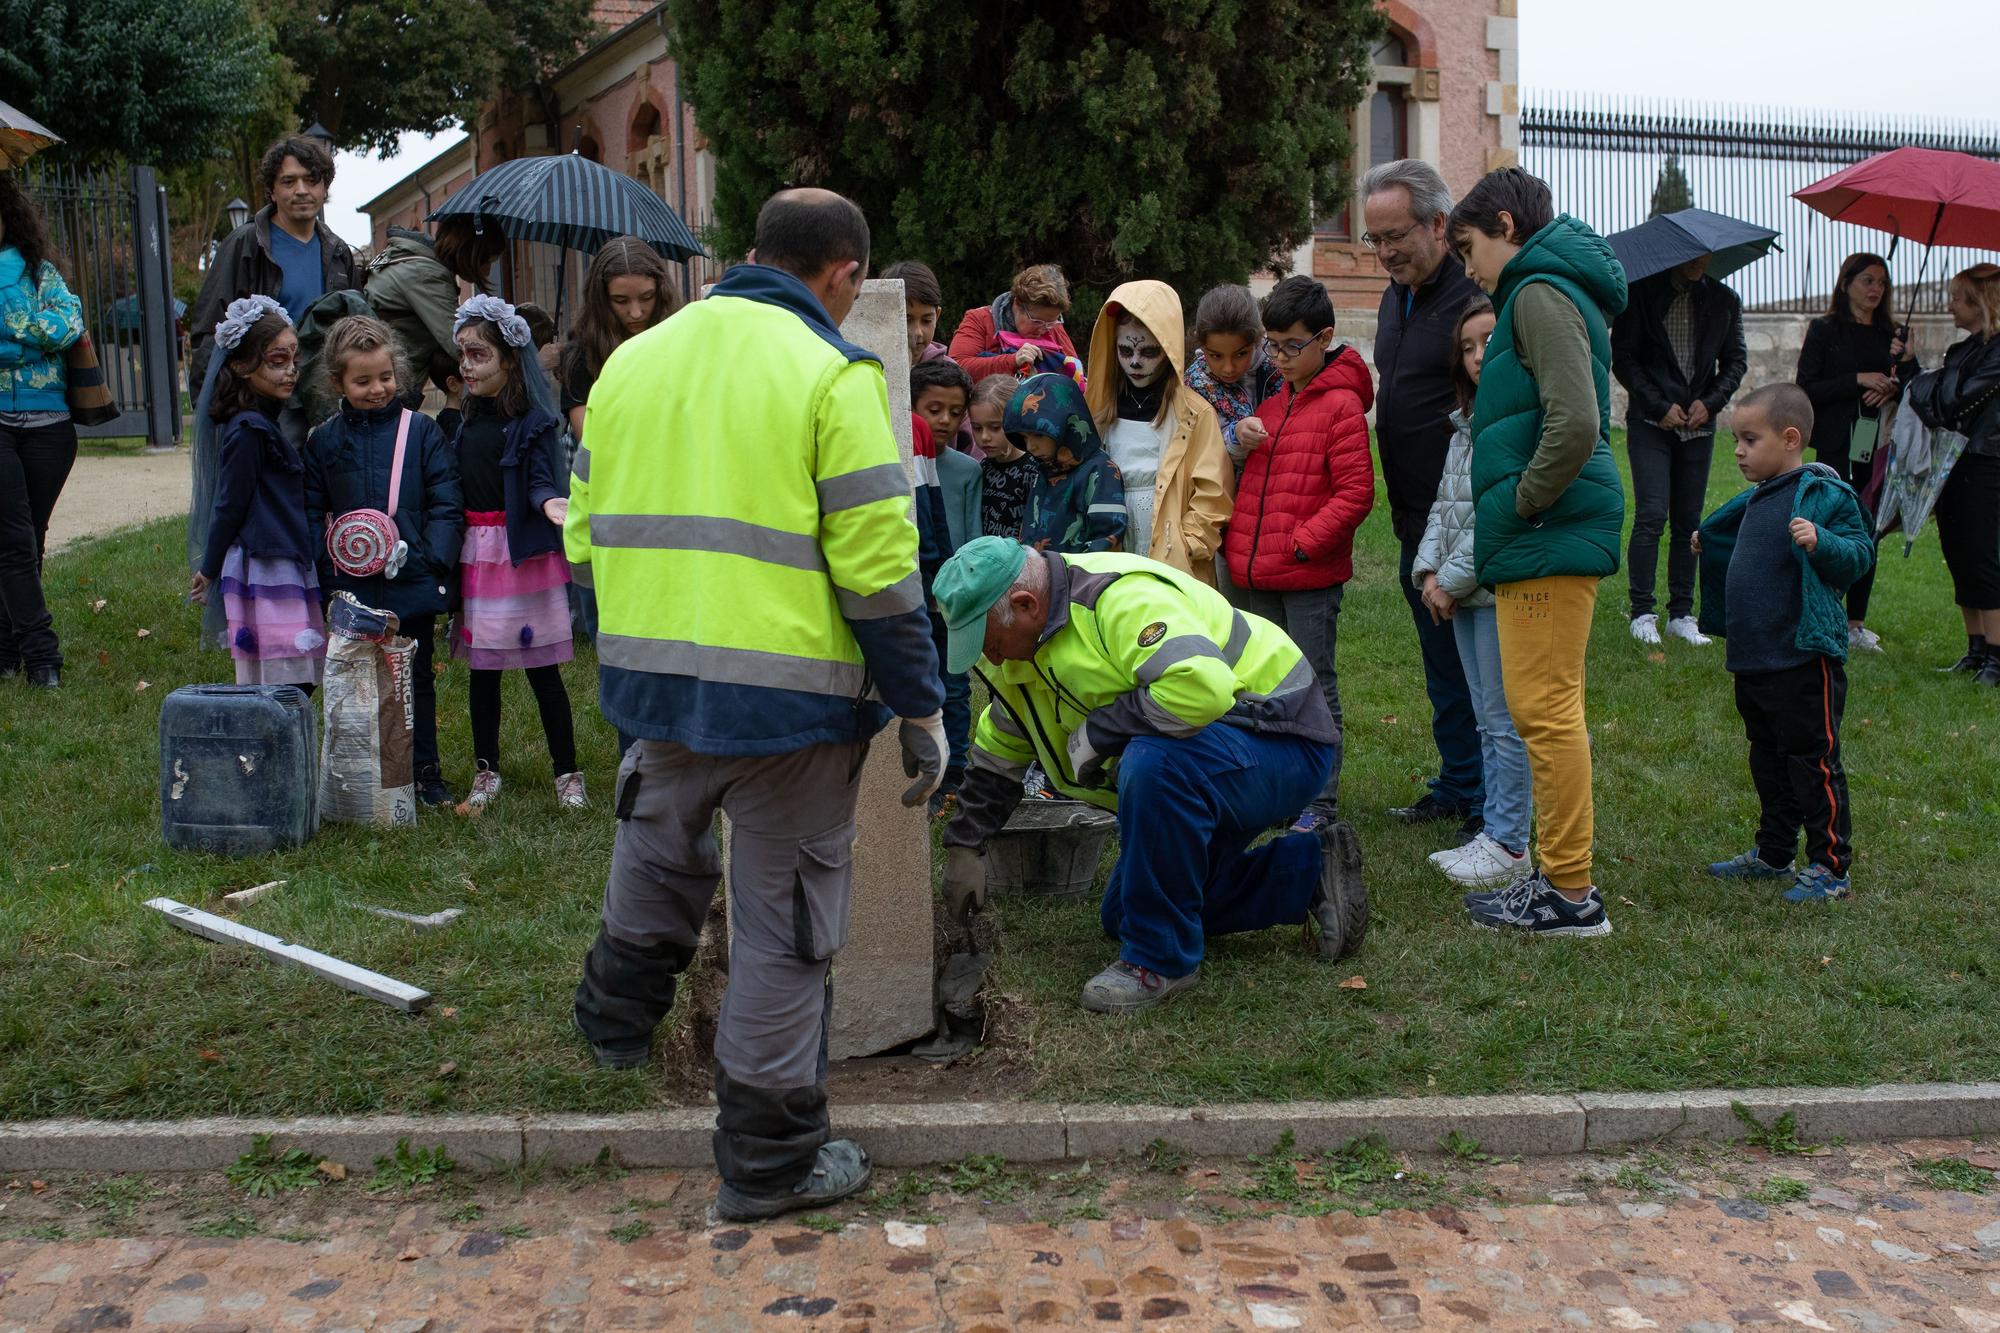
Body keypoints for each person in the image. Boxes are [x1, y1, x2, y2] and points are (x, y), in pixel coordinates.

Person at [566, 189, 947, 1222]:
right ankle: (769, 1160)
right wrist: (920, 707)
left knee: (657, 847)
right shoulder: (833, 374)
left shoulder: (629, 364)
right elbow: (878, 569)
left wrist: (636, 648)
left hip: (654, 682)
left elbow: (585, 532)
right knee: (782, 928)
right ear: (839, 276)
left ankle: (612, 1021)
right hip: (790, 713)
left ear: (747, 256)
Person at [937, 536, 1367, 1012]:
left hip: (1281, 739)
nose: (990, 659)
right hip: (1215, 758)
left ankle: (1159, 963)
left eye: (990, 643)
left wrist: (1097, 734)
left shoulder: (1117, 599)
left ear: (1025, 604)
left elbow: (1200, 687)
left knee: (1153, 762)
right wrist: (965, 845)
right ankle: (1309, 873)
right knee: (1126, 912)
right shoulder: (1024, 646)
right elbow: (1001, 748)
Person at [1447, 166, 1627, 938]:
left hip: (1547, 532)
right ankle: (1558, 882)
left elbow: (1577, 420)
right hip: (1543, 534)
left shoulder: (1538, 291)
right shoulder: (1539, 288)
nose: (1467, 267)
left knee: (1546, 712)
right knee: (1542, 709)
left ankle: (1569, 894)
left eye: (1469, 247)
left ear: (1505, 226)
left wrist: (1521, 503)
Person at [1694, 383, 1871, 902]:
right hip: (1753, 658)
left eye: (1750, 439)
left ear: (1790, 438)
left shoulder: (1821, 494)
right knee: (1767, 759)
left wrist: (1823, 541)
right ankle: (1774, 853)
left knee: (1811, 760)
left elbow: (1859, 554)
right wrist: (1711, 541)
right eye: (1736, 441)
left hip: (1800, 656)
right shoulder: (1758, 497)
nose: (1739, 451)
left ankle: (1830, 866)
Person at [1223, 275, 1374, 834]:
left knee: (1314, 685)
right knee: (1268, 686)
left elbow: (1357, 493)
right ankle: (1281, 789)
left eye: (1291, 344)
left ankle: (1322, 800)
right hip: (1260, 575)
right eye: (1272, 344)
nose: (1278, 357)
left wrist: (1303, 543)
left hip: (1307, 576)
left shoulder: (1340, 407)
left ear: (1325, 337)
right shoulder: (1274, 402)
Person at [1362, 160, 1488, 830]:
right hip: (1415, 516)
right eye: (1373, 239)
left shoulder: (1473, 300)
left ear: (1439, 224)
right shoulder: (1395, 294)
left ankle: (1490, 800)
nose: (1384, 252)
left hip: (1463, 518)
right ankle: (1459, 782)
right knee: (1442, 665)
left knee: (1476, 667)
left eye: (1395, 236)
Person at [304, 315, 464, 807]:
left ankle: (424, 773)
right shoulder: (324, 440)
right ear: (338, 383)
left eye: (385, 377)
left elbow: (445, 501)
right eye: (363, 381)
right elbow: (313, 508)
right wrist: (326, 570)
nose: (377, 389)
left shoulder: (421, 432)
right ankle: (361, 774)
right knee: (352, 678)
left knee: (413, 676)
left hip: (410, 578)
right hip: (350, 586)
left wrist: (432, 557)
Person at [1412, 297, 1533, 889]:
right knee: (1486, 719)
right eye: (1467, 346)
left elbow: (1499, 512)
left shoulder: (1513, 421)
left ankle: (1511, 841)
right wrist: (1429, 571)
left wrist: (1452, 579)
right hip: (1459, 591)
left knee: (1504, 720)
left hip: (1494, 590)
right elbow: (1444, 504)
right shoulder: (1466, 421)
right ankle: (1493, 828)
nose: (1479, 355)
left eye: (1489, 342)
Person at [448, 296, 585, 810]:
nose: (467, 365)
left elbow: (540, 478)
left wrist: (549, 501)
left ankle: (567, 771)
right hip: (477, 555)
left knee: (542, 670)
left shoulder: (533, 423)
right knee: (482, 671)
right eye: (462, 355)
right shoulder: (462, 422)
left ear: (509, 359)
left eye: (478, 354)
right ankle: (486, 769)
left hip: (521, 557)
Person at [188, 297, 325, 689]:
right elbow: (230, 503)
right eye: (277, 361)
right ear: (241, 366)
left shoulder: (263, 424)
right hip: (267, 565)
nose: (291, 372)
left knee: (295, 673)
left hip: (284, 555)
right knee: (283, 673)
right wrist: (209, 568)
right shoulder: (249, 430)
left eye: (293, 360)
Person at [1611, 254, 1747, 648]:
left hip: (1699, 425)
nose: (1699, 262)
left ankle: (1682, 614)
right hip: (1651, 423)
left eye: (1707, 256)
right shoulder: (1641, 296)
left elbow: (1736, 360)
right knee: (1651, 515)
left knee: (1690, 523)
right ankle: (1642, 612)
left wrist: (1712, 402)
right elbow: (1625, 358)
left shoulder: (1724, 300)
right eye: (1692, 256)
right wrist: (1658, 406)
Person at [1793, 253, 1918, 654]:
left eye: (1882, 282)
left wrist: (1894, 384)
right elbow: (1807, 387)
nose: (1876, 289)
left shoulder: (1893, 337)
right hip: (1836, 444)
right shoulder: (1825, 330)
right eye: (1867, 280)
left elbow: (1915, 389)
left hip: (1879, 446)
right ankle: (1819, 608)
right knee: (1829, 526)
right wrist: (1858, 380)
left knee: (1869, 528)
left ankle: (1855, 622)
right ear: (1845, 283)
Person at [1083, 280, 1233, 585]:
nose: (1135, 361)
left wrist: (1188, 545)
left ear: (1168, 349)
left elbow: (1213, 492)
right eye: (1125, 350)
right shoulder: (1099, 410)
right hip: (1112, 537)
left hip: (1170, 544)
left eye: (1148, 351)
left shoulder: (1194, 414)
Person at [187, 136, 359, 390]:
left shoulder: (339, 252)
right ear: (272, 190)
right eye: (289, 181)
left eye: (311, 180)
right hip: (259, 401)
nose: (301, 190)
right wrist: (221, 401)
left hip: (322, 397)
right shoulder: (244, 245)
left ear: (324, 188)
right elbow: (208, 334)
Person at [0, 174, 83, 689]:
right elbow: (45, 331)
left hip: (52, 425)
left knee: (30, 541)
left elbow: (68, 322)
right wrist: (33, 339)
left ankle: (5, 648)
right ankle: (42, 658)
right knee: (12, 541)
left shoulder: (41, 272)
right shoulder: (31, 284)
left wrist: (11, 338)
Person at [1908, 263, 2000, 686]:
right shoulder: (1963, 350)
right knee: (1959, 552)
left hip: (1987, 461)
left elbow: (1952, 399)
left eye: (1956, 297)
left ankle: (1997, 659)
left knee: (1983, 556)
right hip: (1953, 461)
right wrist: (1915, 370)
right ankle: (1976, 648)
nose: (1948, 305)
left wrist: (1931, 384)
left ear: (1981, 301)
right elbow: (1936, 395)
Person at [559, 237, 683, 442]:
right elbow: (589, 441)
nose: (635, 313)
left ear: (661, 293)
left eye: (646, 297)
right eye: (621, 300)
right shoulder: (582, 355)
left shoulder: (682, 341)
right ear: (601, 299)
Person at [1013, 371, 1128, 555]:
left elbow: (1107, 539)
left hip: (1078, 579)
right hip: (1036, 575)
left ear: (1066, 426)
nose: (1030, 446)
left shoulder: (1100, 470)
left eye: (1039, 435)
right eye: (1023, 437)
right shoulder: (1043, 467)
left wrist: (1074, 579)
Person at [362, 224, 462, 409]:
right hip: (393, 386)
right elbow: (456, 341)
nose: (487, 270)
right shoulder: (426, 272)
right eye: (487, 260)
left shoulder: (398, 258)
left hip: (380, 379)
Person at [1184, 284, 1283, 468]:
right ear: (1201, 343)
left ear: (1258, 338)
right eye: (1216, 356)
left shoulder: (1279, 365)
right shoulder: (1195, 384)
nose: (1228, 368)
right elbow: (1200, 448)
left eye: (1240, 354)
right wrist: (1235, 435)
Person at [950, 264, 1085, 386]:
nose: (1043, 329)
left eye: (1051, 323)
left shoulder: (1054, 327)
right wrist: (1012, 360)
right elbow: (956, 367)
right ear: (1017, 303)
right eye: (1036, 321)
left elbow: (1076, 374)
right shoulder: (980, 320)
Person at [972, 374, 1035, 539]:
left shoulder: (1032, 471)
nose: (985, 436)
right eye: (977, 428)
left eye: (995, 427)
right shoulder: (983, 467)